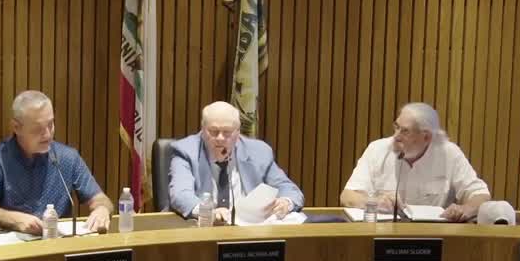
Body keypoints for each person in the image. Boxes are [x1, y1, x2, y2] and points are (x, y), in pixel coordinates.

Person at [0, 89, 113, 234]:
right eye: (37, 128)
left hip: (57, 242)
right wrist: (15, 220)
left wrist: (102, 209)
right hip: (13, 243)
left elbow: (101, 199)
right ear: (16, 127)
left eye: (50, 125)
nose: (47, 134)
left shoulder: (67, 157)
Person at [340, 103, 492, 221]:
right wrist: (374, 201)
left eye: (405, 131)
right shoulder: (377, 149)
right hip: (383, 234)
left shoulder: (449, 154)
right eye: (396, 127)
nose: (396, 136)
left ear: (426, 137)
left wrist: (465, 209)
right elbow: (347, 196)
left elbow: (481, 195)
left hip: (432, 237)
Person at [167, 101, 305, 222]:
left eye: (227, 132)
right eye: (213, 131)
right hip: (202, 228)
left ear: (238, 132)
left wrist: (286, 202)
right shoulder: (186, 151)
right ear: (203, 130)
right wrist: (208, 212)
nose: (220, 138)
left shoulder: (259, 152)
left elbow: (289, 189)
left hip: (249, 230)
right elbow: (180, 194)